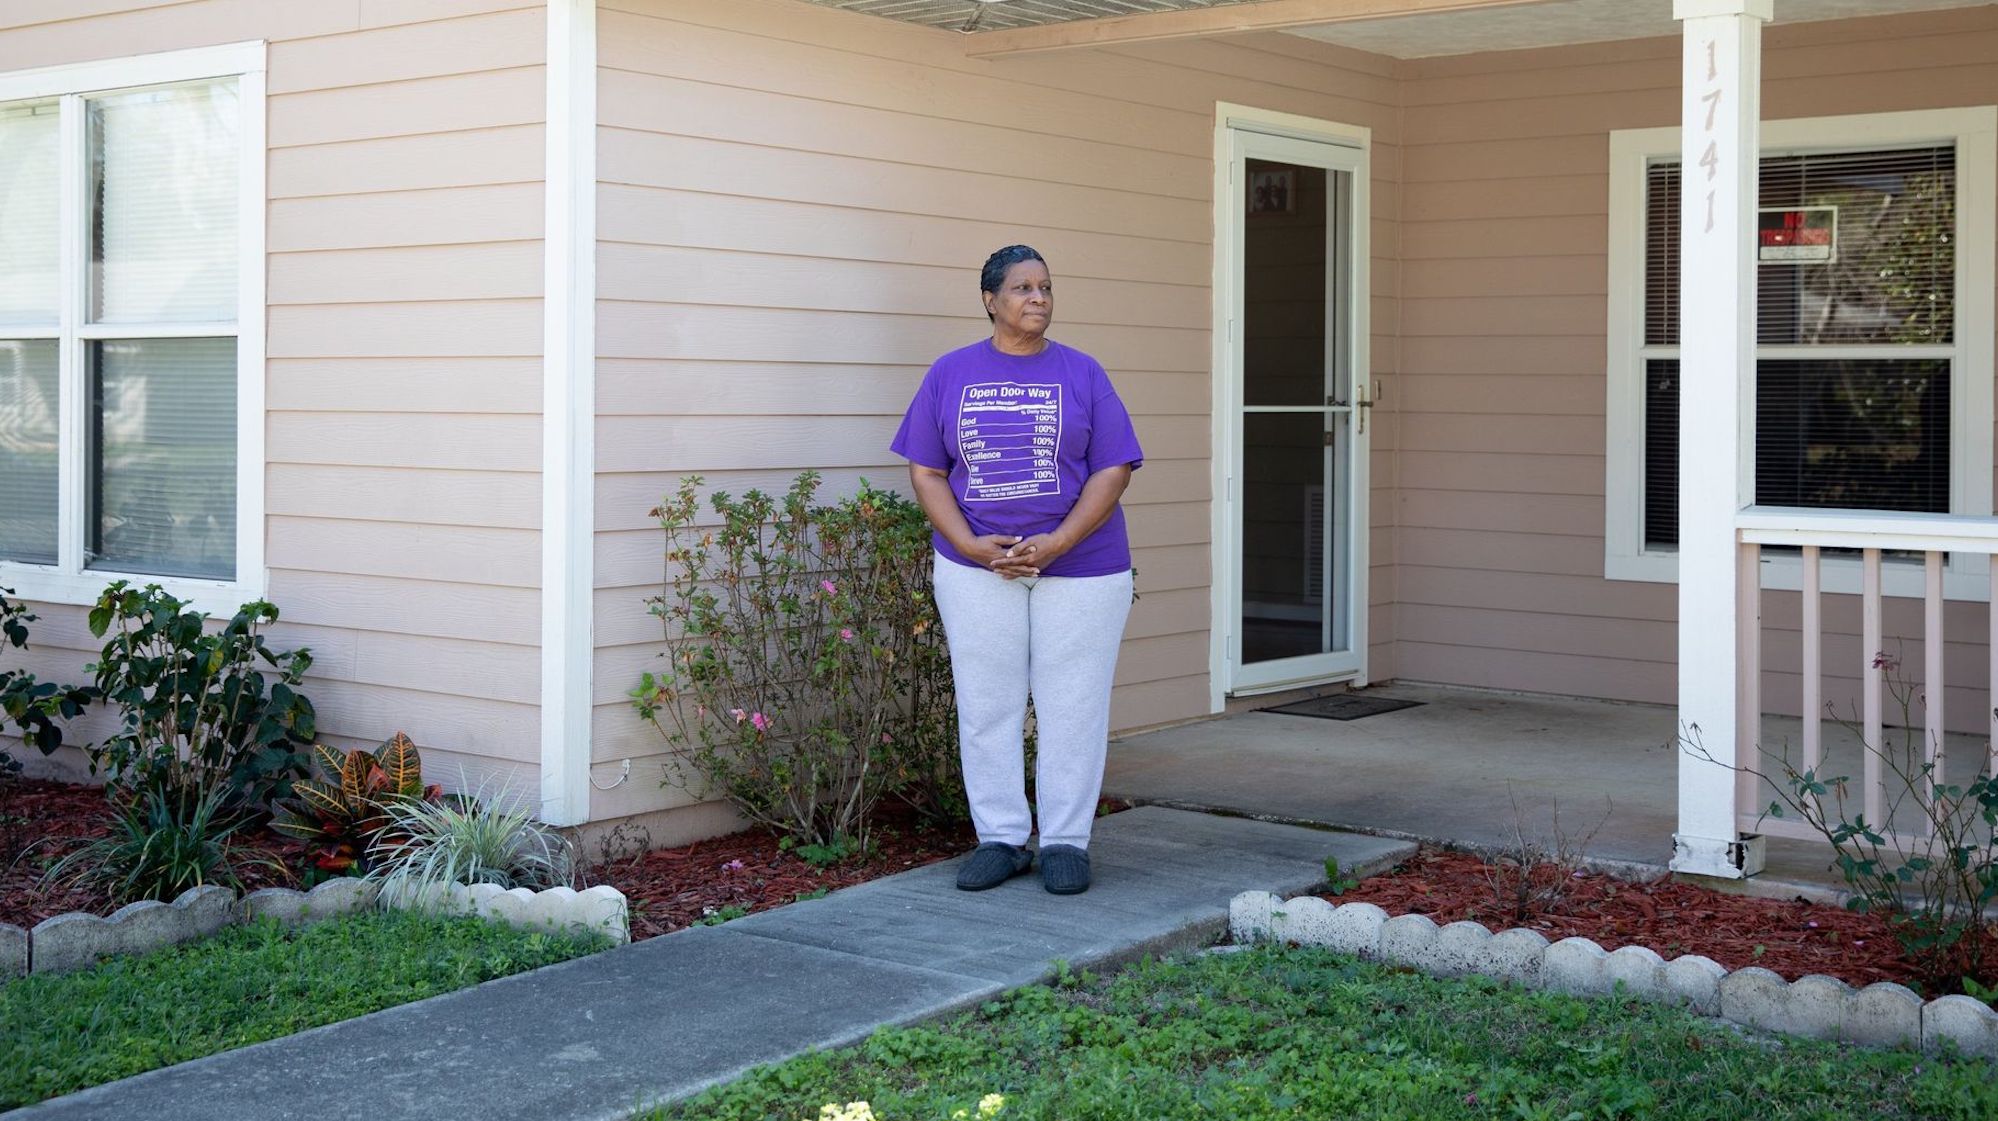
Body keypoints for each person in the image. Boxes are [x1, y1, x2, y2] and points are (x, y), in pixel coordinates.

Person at [890, 245, 1143, 895]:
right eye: (1024, 288)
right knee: (986, 704)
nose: (1039, 298)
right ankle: (1001, 837)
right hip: (978, 568)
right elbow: (927, 469)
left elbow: (1113, 466)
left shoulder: (1083, 373)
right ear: (990, 299)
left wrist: (1058, 541)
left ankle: (1064, 841)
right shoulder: (951, 373)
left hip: (1082, 567)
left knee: (1072, 706)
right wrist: (970, 546)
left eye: (1047, 287)